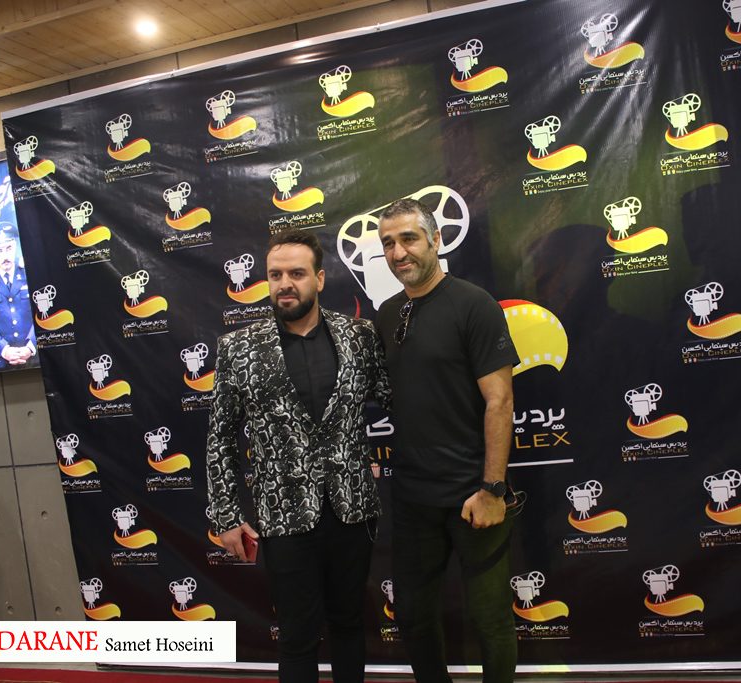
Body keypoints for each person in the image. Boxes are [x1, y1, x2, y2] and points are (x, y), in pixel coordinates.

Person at [205, 230, 392, 683]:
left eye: (297, 273)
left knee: (349, 623)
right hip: (283, 515)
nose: (285, 284)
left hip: (352, 510)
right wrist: (226, 515)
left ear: (320, 279)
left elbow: (398, 399)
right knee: (296, 635)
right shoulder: (238, 348)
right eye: (275, 275)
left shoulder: (360, 336)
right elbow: (220, 436)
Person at [374, 198, 519, 683]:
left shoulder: (474, 304)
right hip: (413, 497)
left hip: (473, 495)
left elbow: (500, 401)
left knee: (491, 618)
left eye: (408, 239)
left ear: (436, 240)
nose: (398, 253)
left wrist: (493, 489)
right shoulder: (387, 314)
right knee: (413, 616)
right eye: (388, 244)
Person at [0, 222, 36, 366]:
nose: (5, 255)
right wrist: (4, 350)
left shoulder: (29, 273)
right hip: (2, 359)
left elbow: (42, 313)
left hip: (33, 356)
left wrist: (30, 346)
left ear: (15, 247)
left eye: (8, 248)